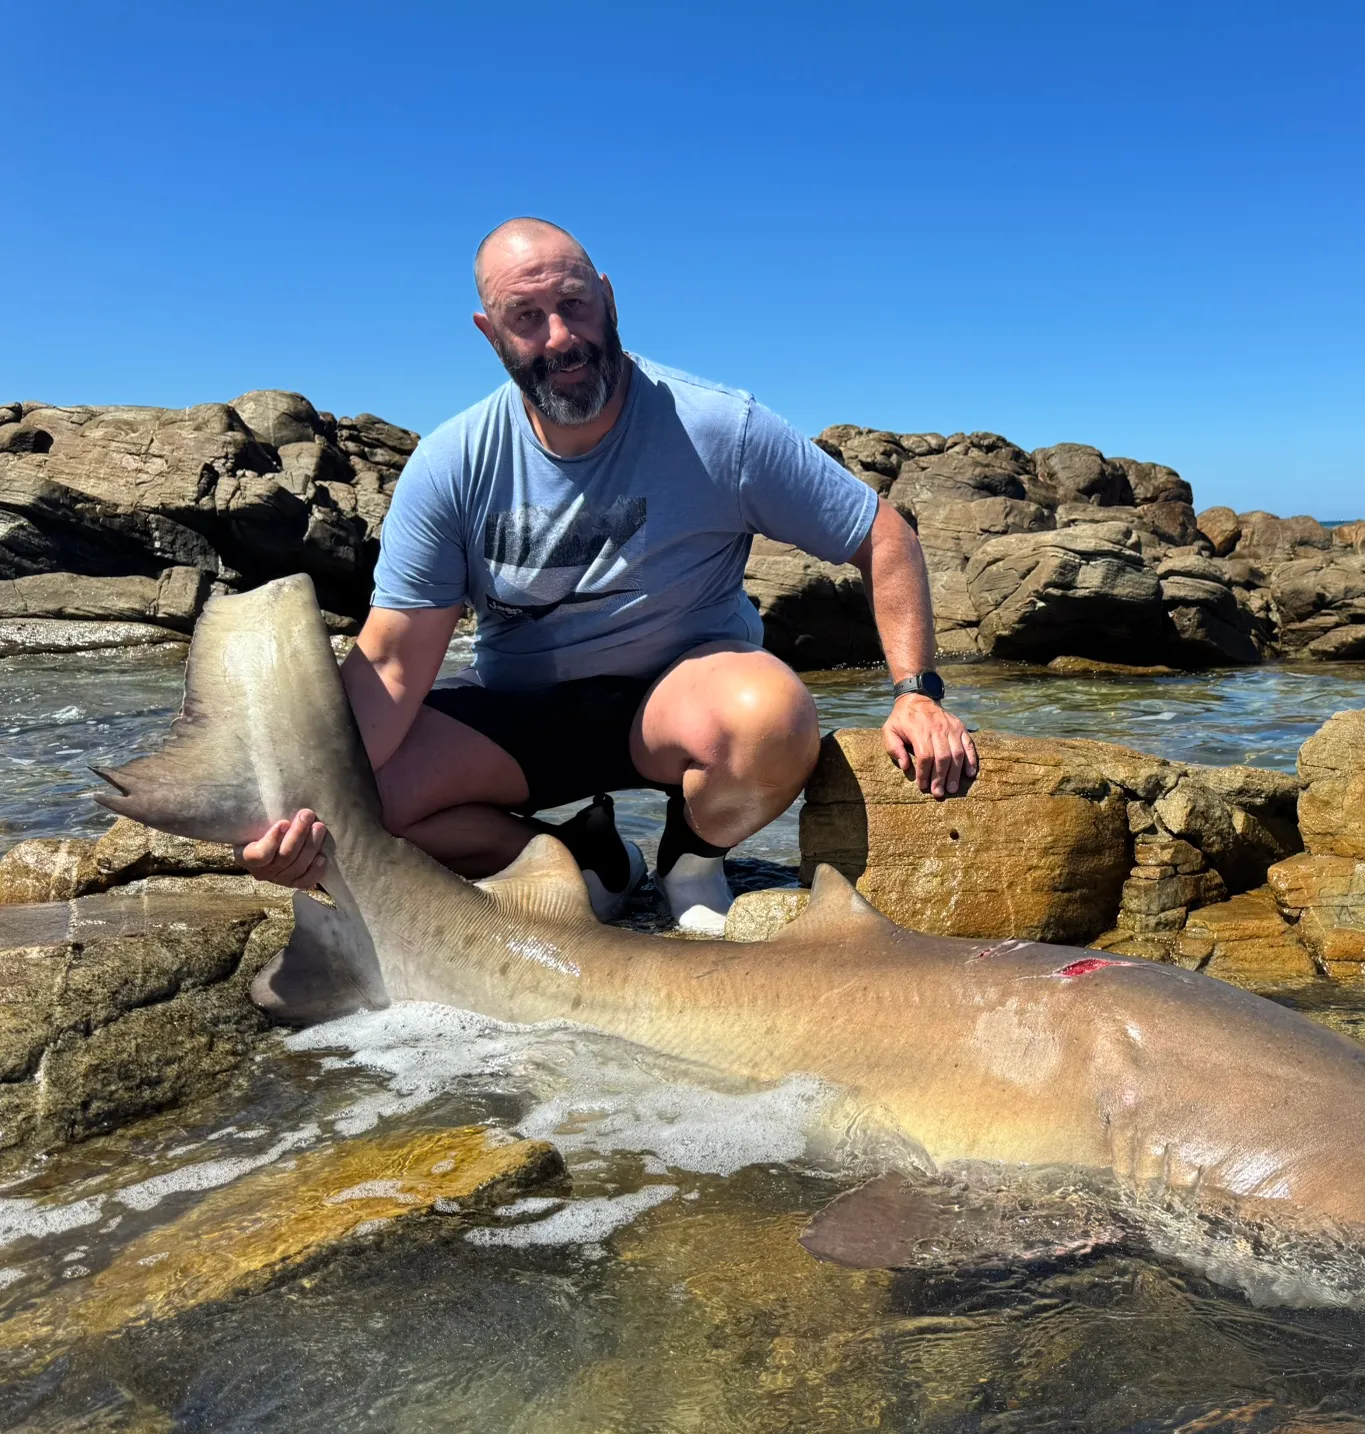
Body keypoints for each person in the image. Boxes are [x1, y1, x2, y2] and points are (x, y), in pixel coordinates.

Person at [240, 218, 977, 933]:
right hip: (519, 715)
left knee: (774, 718)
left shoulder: (720, 428)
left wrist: (916, 695)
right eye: (525, 317)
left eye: (573, 304)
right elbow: (394, 663)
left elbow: (882, 535)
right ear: (489, 333)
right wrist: (297, 811)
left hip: (677, 702)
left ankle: (690, 860)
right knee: (363, 806)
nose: (559, 337)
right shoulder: (450, 464)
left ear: (609, 299)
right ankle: (577, 857)